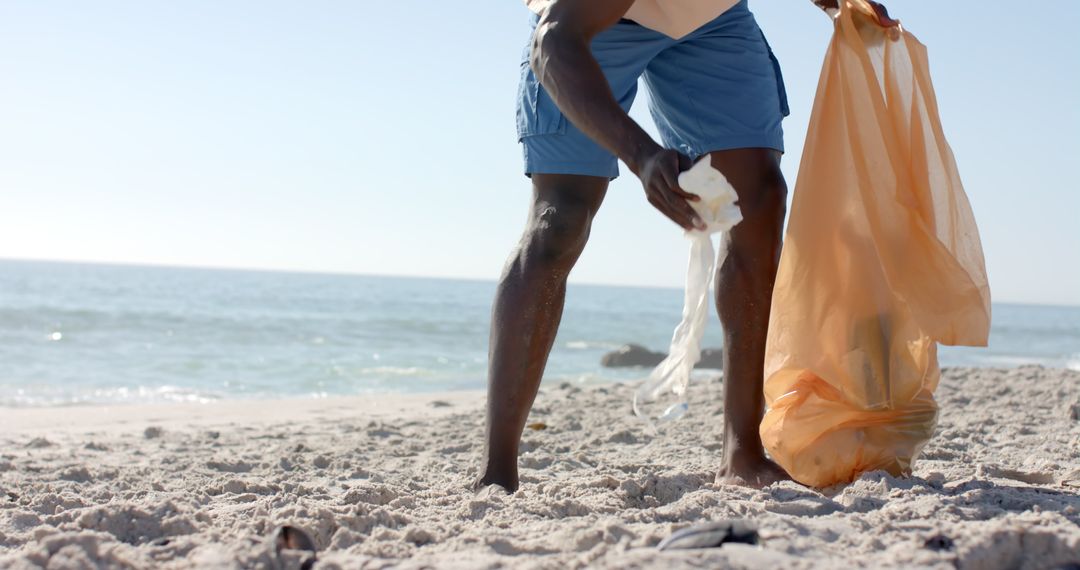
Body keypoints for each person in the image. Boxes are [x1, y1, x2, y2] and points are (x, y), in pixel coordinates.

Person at [475, 0, 897, 491]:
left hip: (710, 19)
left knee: (759, 197)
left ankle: (743, 451)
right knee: (560, 220)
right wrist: (642, 155)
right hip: (581, 29)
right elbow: (553, 43)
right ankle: (496, 469)